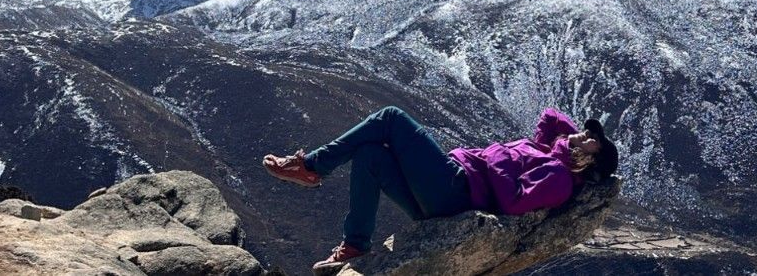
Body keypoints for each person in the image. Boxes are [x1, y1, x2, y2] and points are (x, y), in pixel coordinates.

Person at [262, 105, 619, 271]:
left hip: (457, 189)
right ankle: (355, 245)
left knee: (390, 118)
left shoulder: (558, 178)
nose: (586, 134)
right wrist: (575, 138)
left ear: (591, 164)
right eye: (589, 131)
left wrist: (497, 156)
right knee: (370, 156)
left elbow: (512, 202)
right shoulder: (548, 151)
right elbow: (550, 116)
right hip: (442, 192)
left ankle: (310, 166)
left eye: (593, 141)